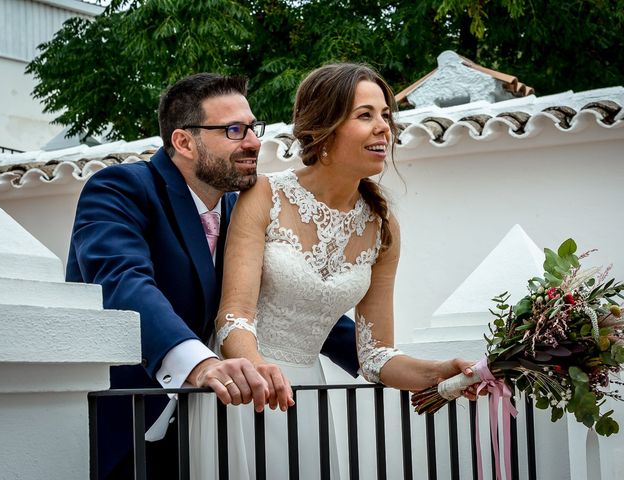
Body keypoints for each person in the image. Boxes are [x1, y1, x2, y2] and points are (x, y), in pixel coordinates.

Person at [65, 73, 359, 479]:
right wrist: (200, 365)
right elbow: (123, 282)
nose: (255, 142)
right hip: (127, 429)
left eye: (254, 127)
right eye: (234, 130)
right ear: (184, 142)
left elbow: (289, 305)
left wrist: (387, 363)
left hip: (214, 432)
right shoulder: (120, 189)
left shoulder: (246, 211)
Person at [195, 63, 477, 479]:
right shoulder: (265, 195)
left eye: (386, 116)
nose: (384, 127)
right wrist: (259, 374)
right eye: (366, 115)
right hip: (243, 388)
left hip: (308, 396)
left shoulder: (382, 227)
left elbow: (376, 356)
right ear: (324, 129)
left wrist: (439, 372)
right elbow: (233, 317)